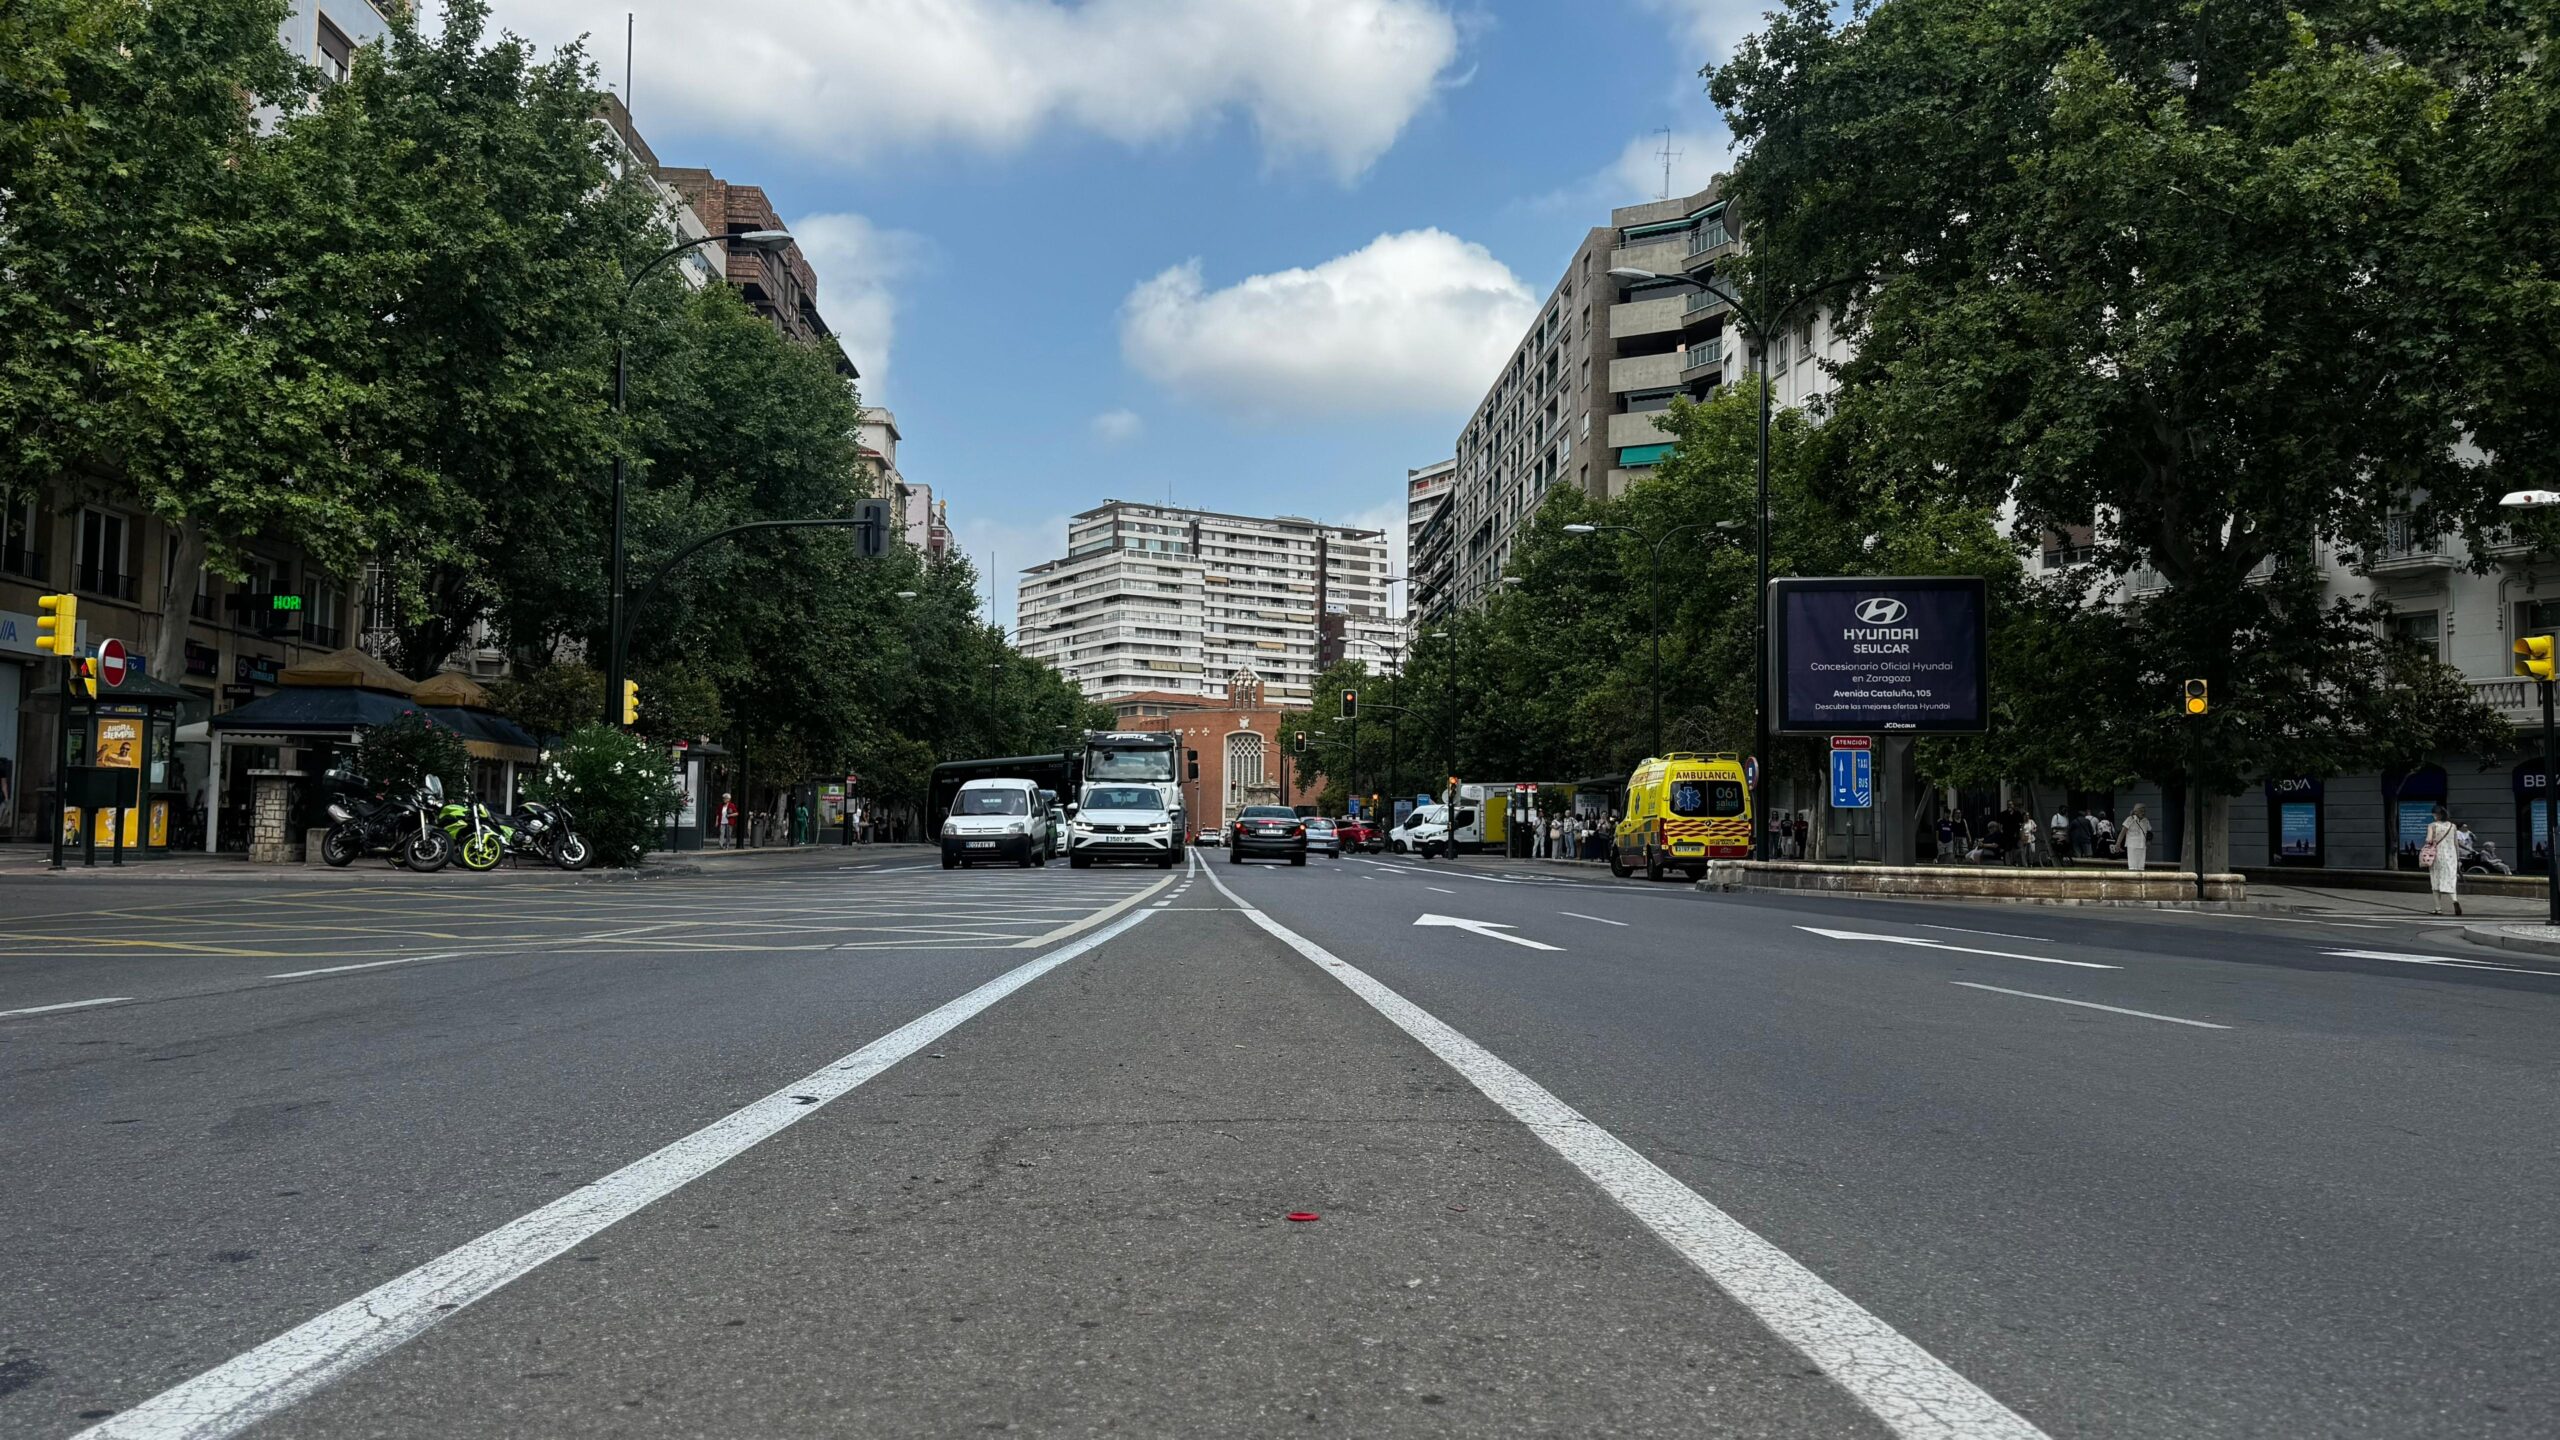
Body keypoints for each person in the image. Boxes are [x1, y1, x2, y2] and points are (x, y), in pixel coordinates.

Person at [2426, 804, 2462, 915]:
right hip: (2451, 857)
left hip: (2438, 856)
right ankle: (2455, 901)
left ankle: (2438, 908)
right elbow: (2456, 843)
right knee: (2450, 880)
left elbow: (2429, 840)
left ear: (2436, 815)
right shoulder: (2452, 826)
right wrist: (2458, 859)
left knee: (2436, 881)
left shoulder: (2432, 825)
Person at [2121, 803, 2154, 871]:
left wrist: (2149, 841)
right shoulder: (2130, 819)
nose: (2143, 813)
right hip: (2132, 846)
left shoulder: (2146, 821)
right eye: (2141, 811)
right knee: (2133, 866)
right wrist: (2118, 844)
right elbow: (2122, 832)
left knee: (2141, 866)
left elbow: (2150, 832)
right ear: (2135, 811)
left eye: (2144, 811)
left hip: (2142, 846)